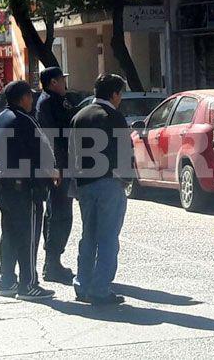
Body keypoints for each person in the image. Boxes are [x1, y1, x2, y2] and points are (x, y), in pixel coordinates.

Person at [0, 80, 58, 301]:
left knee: (9, 233)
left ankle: (7, 280)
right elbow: (42, 150)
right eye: (30, 96)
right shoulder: (25, 120)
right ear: (23, 98)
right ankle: (28, 284)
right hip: (25, 188)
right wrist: (53, 171)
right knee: (28, 236)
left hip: (4, 185)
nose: (32, 100)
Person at [70, 73, 132, 305]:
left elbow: (72, 153)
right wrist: (126, 179)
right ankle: (100, 289)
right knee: (107, 238)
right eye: (121, 94)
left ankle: (82, 284)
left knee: (88, 236)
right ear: (115, 94)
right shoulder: (114, 117)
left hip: (84, 184)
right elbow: (124, 152)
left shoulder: (79, 116)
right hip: (109, 184)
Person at [35, 66, 77, 284]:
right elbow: (51, 137)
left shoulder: (54, 100)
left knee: (59, 213)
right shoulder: (49, 102)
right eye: (62, 79)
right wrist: (56, 166)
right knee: (59, 214)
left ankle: (53, 261)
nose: (64, 83)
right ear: (53, 82)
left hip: (62, 165)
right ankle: (52, 263)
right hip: (59, 167)